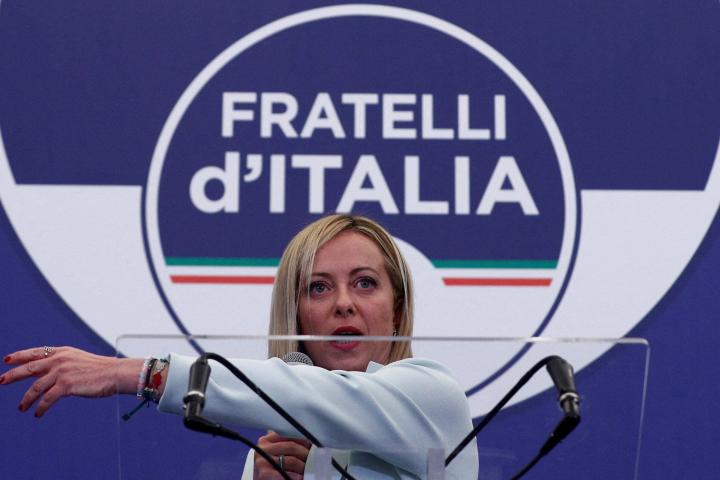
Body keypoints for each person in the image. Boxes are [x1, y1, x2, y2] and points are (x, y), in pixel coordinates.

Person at [1, 214, 478, 479]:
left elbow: (313, 396)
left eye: (365, 283)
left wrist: (140, 373)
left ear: (398, 307)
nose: (343, 304)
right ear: (297, 315)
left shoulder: (432, 397)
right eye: (318, 288)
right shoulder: (274, 451)